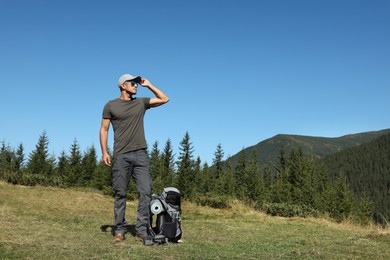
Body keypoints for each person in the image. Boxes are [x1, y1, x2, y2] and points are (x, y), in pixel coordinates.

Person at [99, 74, 169, 243]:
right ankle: (120, 230)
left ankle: (141, 231)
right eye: (133, 83)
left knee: (145, 192)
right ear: (123, 86)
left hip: (141, 154)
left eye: (136, 83)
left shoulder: (140, 102)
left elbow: (165, 99)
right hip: (121, 154)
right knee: (120, 193)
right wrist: (104, 152)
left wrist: (149, 85)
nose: (136, 85)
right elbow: (104, 129)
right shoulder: (110, 105)